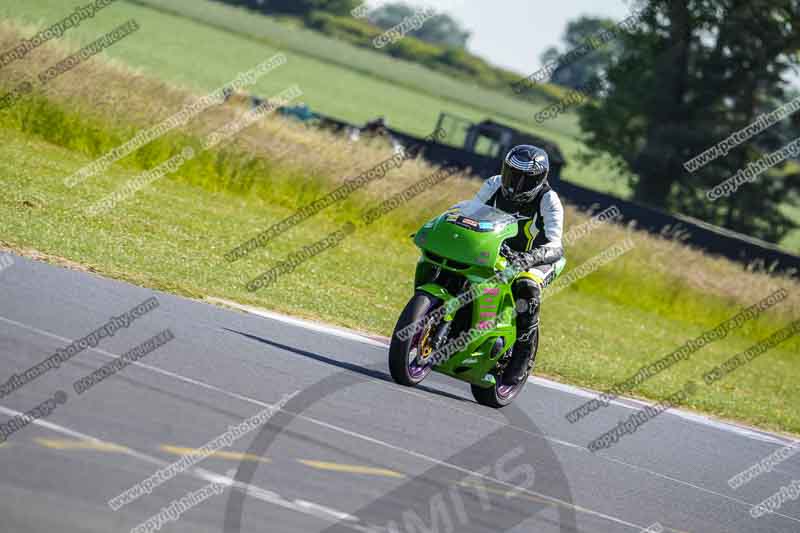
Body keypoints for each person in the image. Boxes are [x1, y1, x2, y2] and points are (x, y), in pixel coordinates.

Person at [473, 145, 566, 386]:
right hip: (497, 250)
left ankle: (523, 353)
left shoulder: (549, 199)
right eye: (512, 174)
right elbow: (471, 214)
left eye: (525, 179)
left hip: (539, 259)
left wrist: (529, 258)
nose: (515, 183)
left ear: (540, 179)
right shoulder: (493, 184)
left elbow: (556, 247)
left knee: (526, 285)